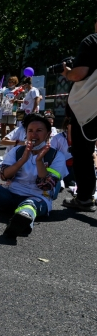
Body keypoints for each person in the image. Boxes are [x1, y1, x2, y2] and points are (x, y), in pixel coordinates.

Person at [0, 114, 66, 234]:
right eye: (30, 131)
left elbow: (46, 185)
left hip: (37, 197)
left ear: (48, 134)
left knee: (29, 206)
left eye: (39, 131)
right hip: (12, 194)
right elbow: (4, 175)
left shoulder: (57, 156)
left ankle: (22, 220)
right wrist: (22, 160)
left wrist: (39, 160)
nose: (34, 135)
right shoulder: (17, 151)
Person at [61, 17, 97, 211]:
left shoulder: (92, 41)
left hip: (90, 108)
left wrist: (67, 72)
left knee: (83, 152)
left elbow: (79, 74)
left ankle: (84, 198)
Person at [50, 117, 75, 187]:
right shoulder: (57, 138)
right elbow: (51, 154)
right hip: (63, 167)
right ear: (68, 125)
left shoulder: (81, 138)